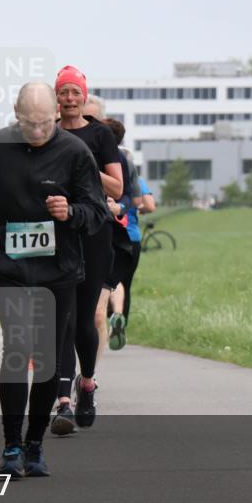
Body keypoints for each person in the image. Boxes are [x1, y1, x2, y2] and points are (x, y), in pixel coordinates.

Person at [0, 82, 108, 477]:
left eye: (44, 123)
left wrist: (70, 213)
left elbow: (96, 212)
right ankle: (10, 445)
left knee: (44, 357)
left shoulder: (77, 152)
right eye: (29, 124)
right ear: (15, 113)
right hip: (11, 266)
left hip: (59, 270)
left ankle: (35, 444)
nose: (38, 132)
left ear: (57, 114)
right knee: (16, 348)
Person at [51, 65, 123, 435]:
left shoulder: (99, 135)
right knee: (61, 317)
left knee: (82, 319)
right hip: (58, 234)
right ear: (55, 97)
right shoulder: (47, 133)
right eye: (63, 92)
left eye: (74, 92)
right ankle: (63, 401)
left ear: (84, 95)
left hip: (94, 235)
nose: (69, 99)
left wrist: (82, 167)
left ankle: (88, 384)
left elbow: (116, 188)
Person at [96, 118, 142, 351]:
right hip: (129, 235)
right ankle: (118, 315)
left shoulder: (121, 161)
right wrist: (124, 209)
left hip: (113, 233)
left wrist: (117, 206)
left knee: (105, 285)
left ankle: (103, 321)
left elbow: (126, 197)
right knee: (120, 282)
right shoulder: (128, 161)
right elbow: (140, 201)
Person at [109, 168, 155, 349]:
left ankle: (108, 320)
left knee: (109, 281)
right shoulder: (137, 181)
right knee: (125, 284)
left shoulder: (106, 178)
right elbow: (150, 206)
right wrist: (137, 208)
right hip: (133, 238)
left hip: (112, 236)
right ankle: (120, 323)